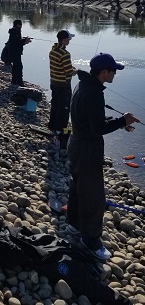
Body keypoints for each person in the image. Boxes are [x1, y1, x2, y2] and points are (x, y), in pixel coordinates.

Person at [67, 53, 140, 261]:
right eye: (113, 70)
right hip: (88, 148)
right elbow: (97, 127)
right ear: (103, 72)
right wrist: (121, 121)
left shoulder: (83, 85)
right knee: (93, 196)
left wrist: (120, 122)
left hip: (77, 144)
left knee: (77, 186)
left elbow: (92, 118)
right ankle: (90, 240)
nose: (115, 74)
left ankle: (73, 225)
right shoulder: (93, 92)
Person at [48, 29, 77, 132]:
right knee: (64, 108)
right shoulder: (65, 54)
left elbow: (59, 66)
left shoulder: (53, 50)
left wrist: (70, 68)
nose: (69, 41)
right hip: (63, 85)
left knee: (55, 104)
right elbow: (69, 72)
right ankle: (60, 131)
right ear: (64, 40)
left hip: (54, 82)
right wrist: (75, 71)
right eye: (69, 39)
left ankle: (52, 126)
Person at [7, 19, 31, 86]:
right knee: (19, 66)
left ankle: (14, 80)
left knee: (15, 66)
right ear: (18, 25)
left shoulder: (14, 31)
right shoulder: (16, 31)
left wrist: (24, 40)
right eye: (21, 25)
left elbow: (17, 41)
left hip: (13, 51)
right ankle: (19, 82)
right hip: (15, 52)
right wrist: (25, 41)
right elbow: (17, 43)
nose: (21, 26)